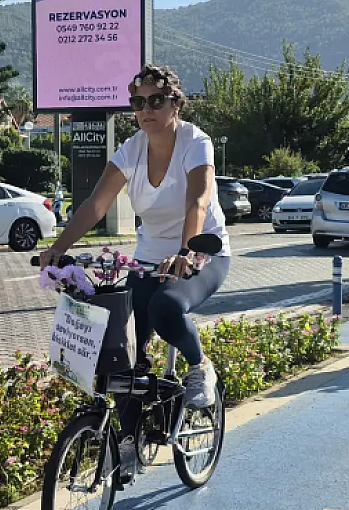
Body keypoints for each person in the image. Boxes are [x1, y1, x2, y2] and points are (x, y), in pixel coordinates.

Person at [40, 64, 231, 418]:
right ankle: (128, 451)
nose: (146, 110)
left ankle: (200, 366)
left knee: (166, 307)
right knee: (122, 354)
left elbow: (198, 201)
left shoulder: (195, 142)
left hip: (201, 252)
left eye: (156, 101)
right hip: (148, 259)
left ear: (176, 104)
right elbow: (96, 205)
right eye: (138, 103)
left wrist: (187, 251)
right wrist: (58, 249)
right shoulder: (131, 150)